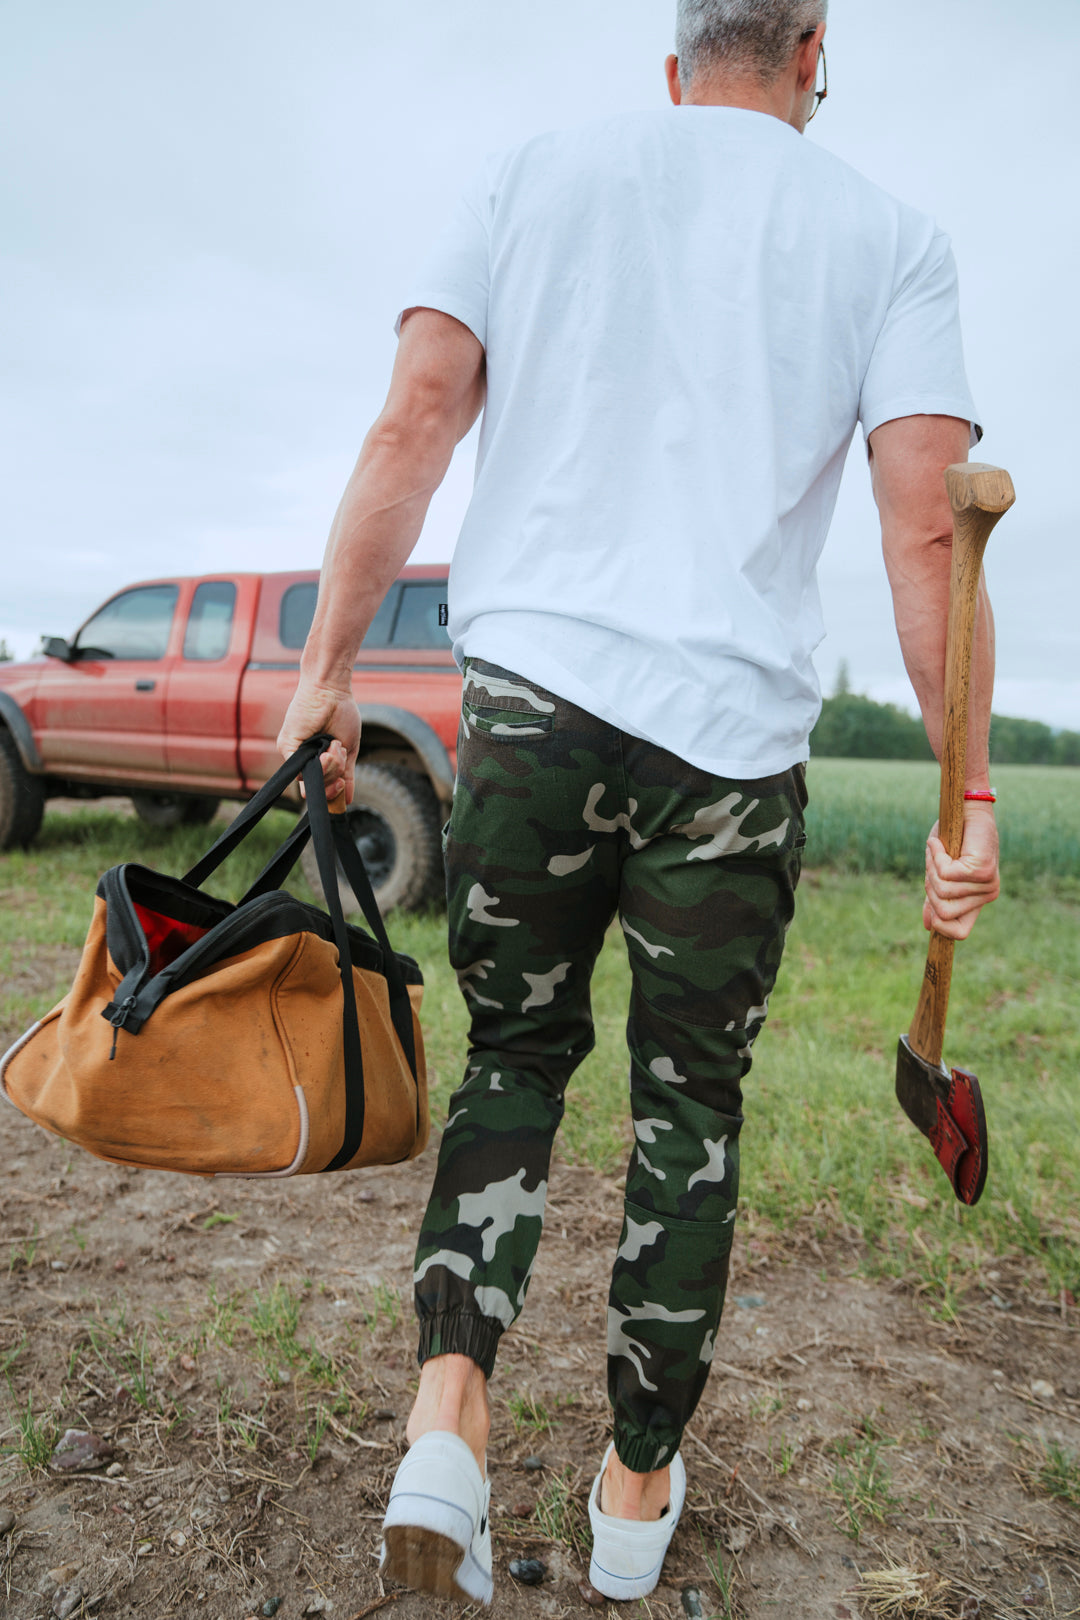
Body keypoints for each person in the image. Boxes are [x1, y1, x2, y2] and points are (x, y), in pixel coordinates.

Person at [278, 0, 1001, 1602]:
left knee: (514, 1062)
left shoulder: (531, 170)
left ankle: (447, 1428)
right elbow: (928, 538)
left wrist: (329, 667)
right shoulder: (892, 235)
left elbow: (415, 415)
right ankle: (629, 1493)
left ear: (676, 66)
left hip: (532, 712)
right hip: (729, 761)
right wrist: (970, 793)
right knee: (690, 1113)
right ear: (812, 56)